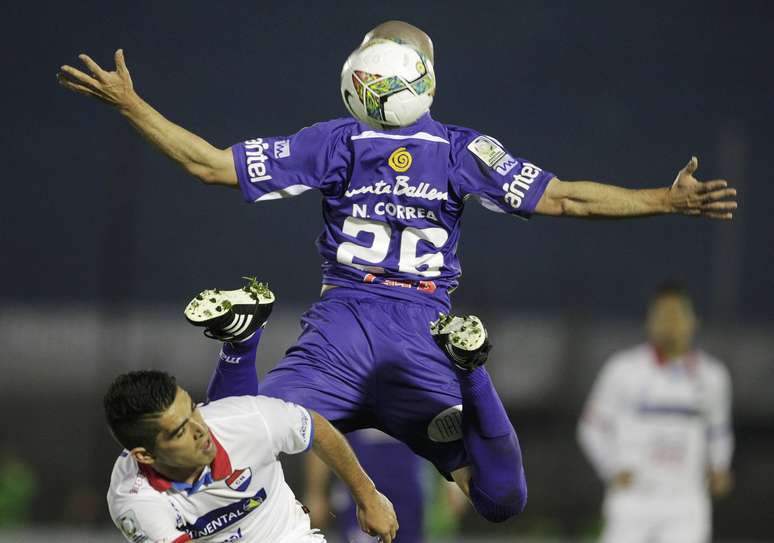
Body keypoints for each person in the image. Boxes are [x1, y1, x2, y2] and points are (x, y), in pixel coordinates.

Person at [60, 20, 737, 523]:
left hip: (344, 336)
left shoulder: (336, 140)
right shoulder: (464, 150)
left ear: (363, 76)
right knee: (499, 496)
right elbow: (565, 197)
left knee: (228, 441)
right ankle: (468, 369)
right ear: (427, 79)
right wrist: (665, 200)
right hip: (410, 335)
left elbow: (208, 163)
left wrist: (133, 106)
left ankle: (246, 340)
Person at [105, 281, 399, 543]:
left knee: (237, 421)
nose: (199, 428)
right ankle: (242, 344)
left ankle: (241, 346)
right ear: (144, 456)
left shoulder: (244, 420)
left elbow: (317, 429)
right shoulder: (136, 500)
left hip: (289, 537)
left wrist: (369, 497)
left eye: (193, 410)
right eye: (180, 430)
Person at [577, 283, 734, 543]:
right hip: (633, 498)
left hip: (686, 501)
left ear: (693, 320)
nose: (669, 323)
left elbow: (719, 430)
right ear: (649, 321)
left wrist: (720, 466)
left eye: (676, 315)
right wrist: (611, 467)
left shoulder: (713, 376)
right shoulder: (622, 369)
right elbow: (590, 427)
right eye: (662, 315)